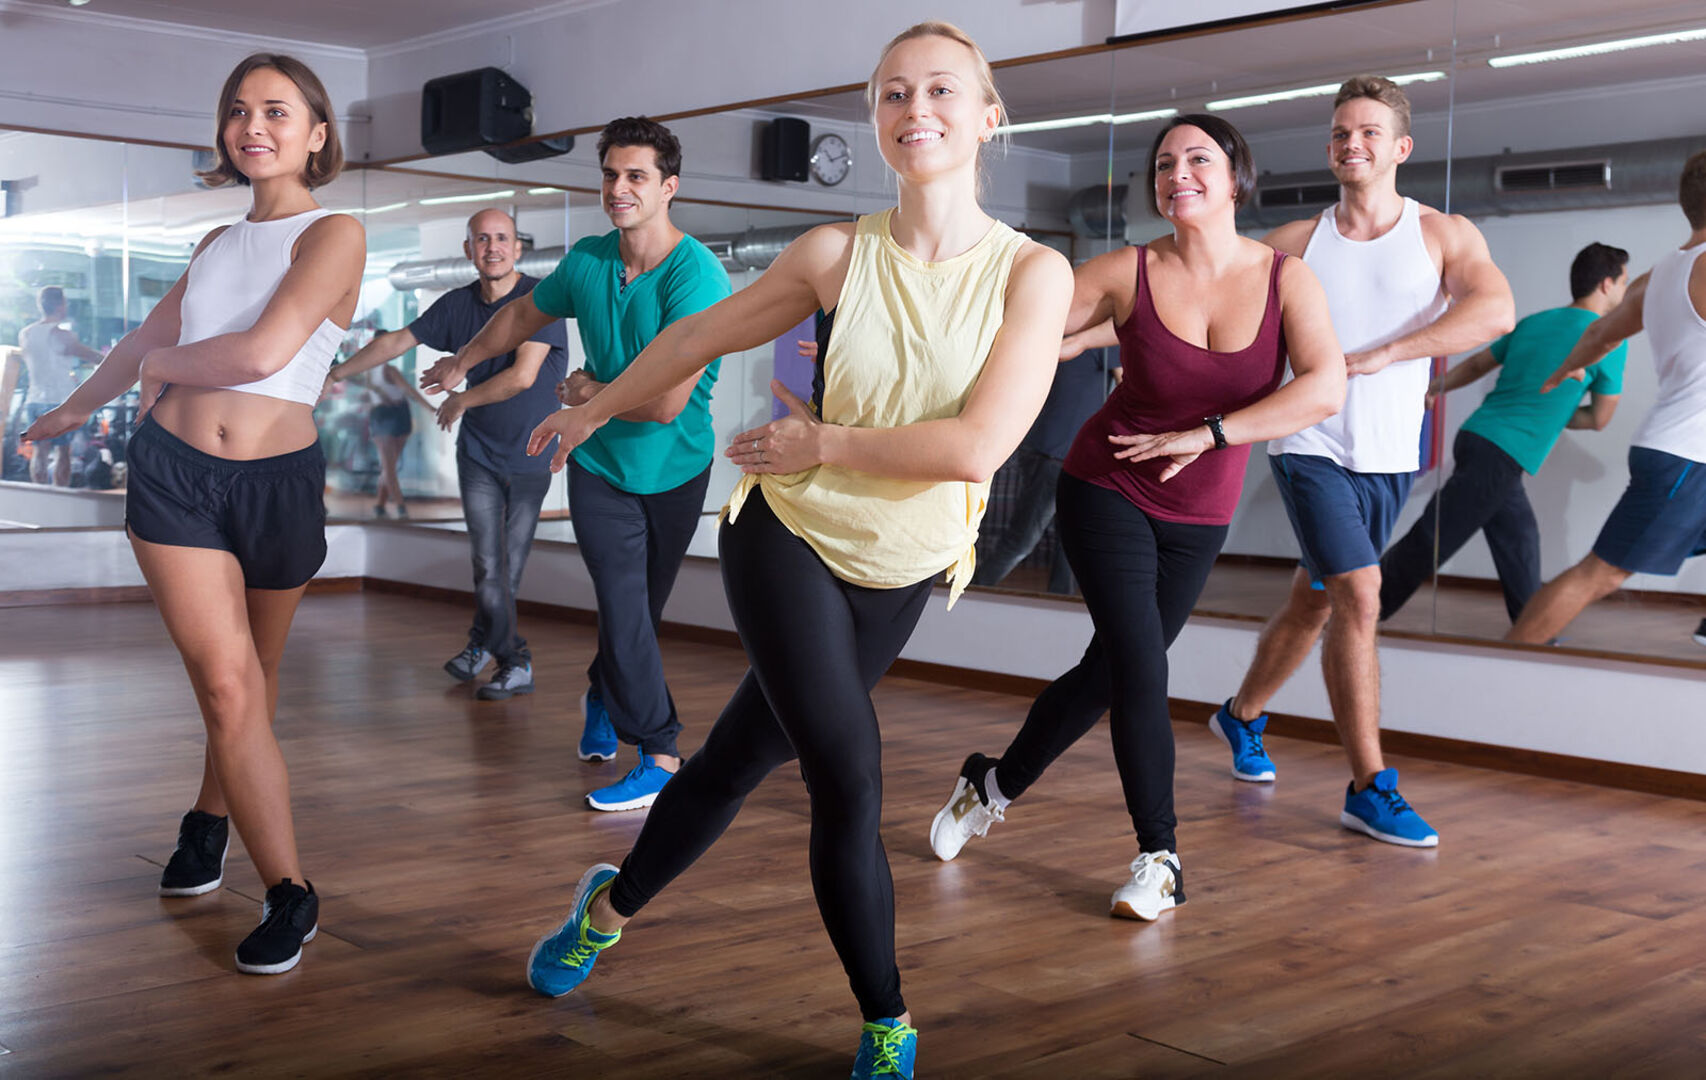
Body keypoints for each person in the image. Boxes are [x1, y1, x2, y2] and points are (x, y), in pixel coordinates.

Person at [514, 23, 1073, 1078]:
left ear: (987, 115)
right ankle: (887, 1024)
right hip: (790, 537)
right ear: (875, 120)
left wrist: (826, 439)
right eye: (894, 93)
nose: (917, 111)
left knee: (732, 763)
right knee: (847, 775)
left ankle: (609, 904)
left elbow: (977, 447)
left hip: (902, 568)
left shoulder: (1032, 276)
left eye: (942, 91)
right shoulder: (834, 253)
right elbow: (692, 340)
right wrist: (598, 412)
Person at [928, 114, 1345, 921]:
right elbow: (1019, 331)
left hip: (1200, 511)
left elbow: (1323, 387)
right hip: (1108, 484)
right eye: (1164, 163)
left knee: (1111, 671)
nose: (1178, 173)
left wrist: (1209, 434)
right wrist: (892, 350)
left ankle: (994, 781)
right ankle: (1161, 858)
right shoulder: (1127, 269)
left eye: (1198, 159)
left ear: (1236, 178)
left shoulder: (1287, 279)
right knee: (1142, 670)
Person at [22, 53, 362, 974]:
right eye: (239, 111)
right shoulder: (214, 243)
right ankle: (290, 890)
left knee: (254, 677)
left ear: (317, 134)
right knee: (226, 685)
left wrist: (160, 371)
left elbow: (263, 352)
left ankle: (209, 818)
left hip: (278, 484)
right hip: (174, 476)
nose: (255, 126)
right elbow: (146, 339)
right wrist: (67, 412)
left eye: (278, 111)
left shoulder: (337, 233)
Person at [1208, 76, 1513, 847]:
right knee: (1361, 593)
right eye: (1342, 133)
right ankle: (1369, 787)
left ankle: (1239, 715)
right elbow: (1196, 290)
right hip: (1308, 446)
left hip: (1388, 456)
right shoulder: (1295, 244)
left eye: (1370, 133)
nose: (1354, 144)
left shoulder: (1443, 235)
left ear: (1400, 147)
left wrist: (1386, 354)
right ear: (1330, 147)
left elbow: (1494, 310)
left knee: (1316, 600)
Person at [421, 119, 729, 802]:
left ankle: (601, 695)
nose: (619, 189)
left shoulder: (697, 277)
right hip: (598, 467)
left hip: (677, 468)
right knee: (622, 606)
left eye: (636, 176)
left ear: (668, 187)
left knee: (637, 616)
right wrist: (464, 362)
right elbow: (521, 318)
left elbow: (666, 403)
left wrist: (589, 393)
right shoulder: (588, 261)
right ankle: (660, 752)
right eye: (611, 174)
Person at [329, 208, 568, 698]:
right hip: (479, 453)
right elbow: (398, 340)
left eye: (502, 239)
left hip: (531, 455)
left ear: (518, 248)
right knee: (487, 565)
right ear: (468, 251)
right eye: (482, 239)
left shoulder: (540, 300)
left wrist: (462, 396)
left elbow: (523, 376)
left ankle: (501, 653)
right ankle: (502, 654)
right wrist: (335, 375)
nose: (492, 247)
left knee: (506, 569)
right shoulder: (457, 306)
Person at [1508, 151, 1706, 647]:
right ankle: (1513, 658)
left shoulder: (1654, 279)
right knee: (1602, 573)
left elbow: (1601, 333)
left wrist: (1567, 366)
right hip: (1688, 456)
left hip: (1678, 449)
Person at [1380, 242, 1630, 623]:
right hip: (1503, 451)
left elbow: (1480, 362)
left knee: (1519, 541)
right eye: (1626, 281)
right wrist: (1558, 410)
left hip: (1479, 437)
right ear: (1607, 284)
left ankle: (1531, 628)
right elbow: (1599, 419)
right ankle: (1362, 612)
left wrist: (1437, 386)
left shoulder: (1535, 322)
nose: (1626, 291)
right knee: (1433, 538)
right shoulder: (1607, 338)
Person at [971, 334, 1117, 593]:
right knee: (1024, 538)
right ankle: (976, 590)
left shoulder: (1056, 332)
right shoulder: (1099, 342)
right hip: (1060, 453)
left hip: (1046, 447)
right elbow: (1128, 383)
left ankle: (1060, 598)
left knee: (1068, 536)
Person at [15, 286, 105, 486]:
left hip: (34, 399)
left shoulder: (26, 333)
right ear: (60, 305)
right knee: (63, 451)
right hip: (58, 401)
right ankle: (59, 494)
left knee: (40, 450)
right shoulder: (61, 334)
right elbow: (91, 355)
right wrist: (112, 357)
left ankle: (38, 494)